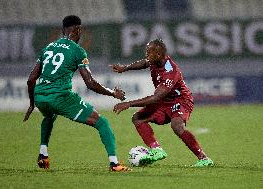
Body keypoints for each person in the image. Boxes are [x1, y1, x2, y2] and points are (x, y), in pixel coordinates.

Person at [23, 15, 129, 172]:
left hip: (40, 96)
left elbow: (31, 79)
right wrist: (113, 93)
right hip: (60, 97)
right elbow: (90, 83)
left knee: (49, 115)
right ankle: (115, 164)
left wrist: (32, 103)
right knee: (101, 122)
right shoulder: (78, 51)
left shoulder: (48, 48)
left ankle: (43, 154)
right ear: (78, 30)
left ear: (63, 30)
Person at [110, 39, 214, 167]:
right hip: (164, 101)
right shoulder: (155, 60)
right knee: (138, 118)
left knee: (177, 126)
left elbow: (156, 98)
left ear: (158, 54)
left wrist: (129, 104)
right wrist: (125, 68)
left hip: (181, 100)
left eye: (149, 52)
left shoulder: (170, 71)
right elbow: (144, 63)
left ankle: (204, 159)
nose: (146, 55)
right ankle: (157, 150)